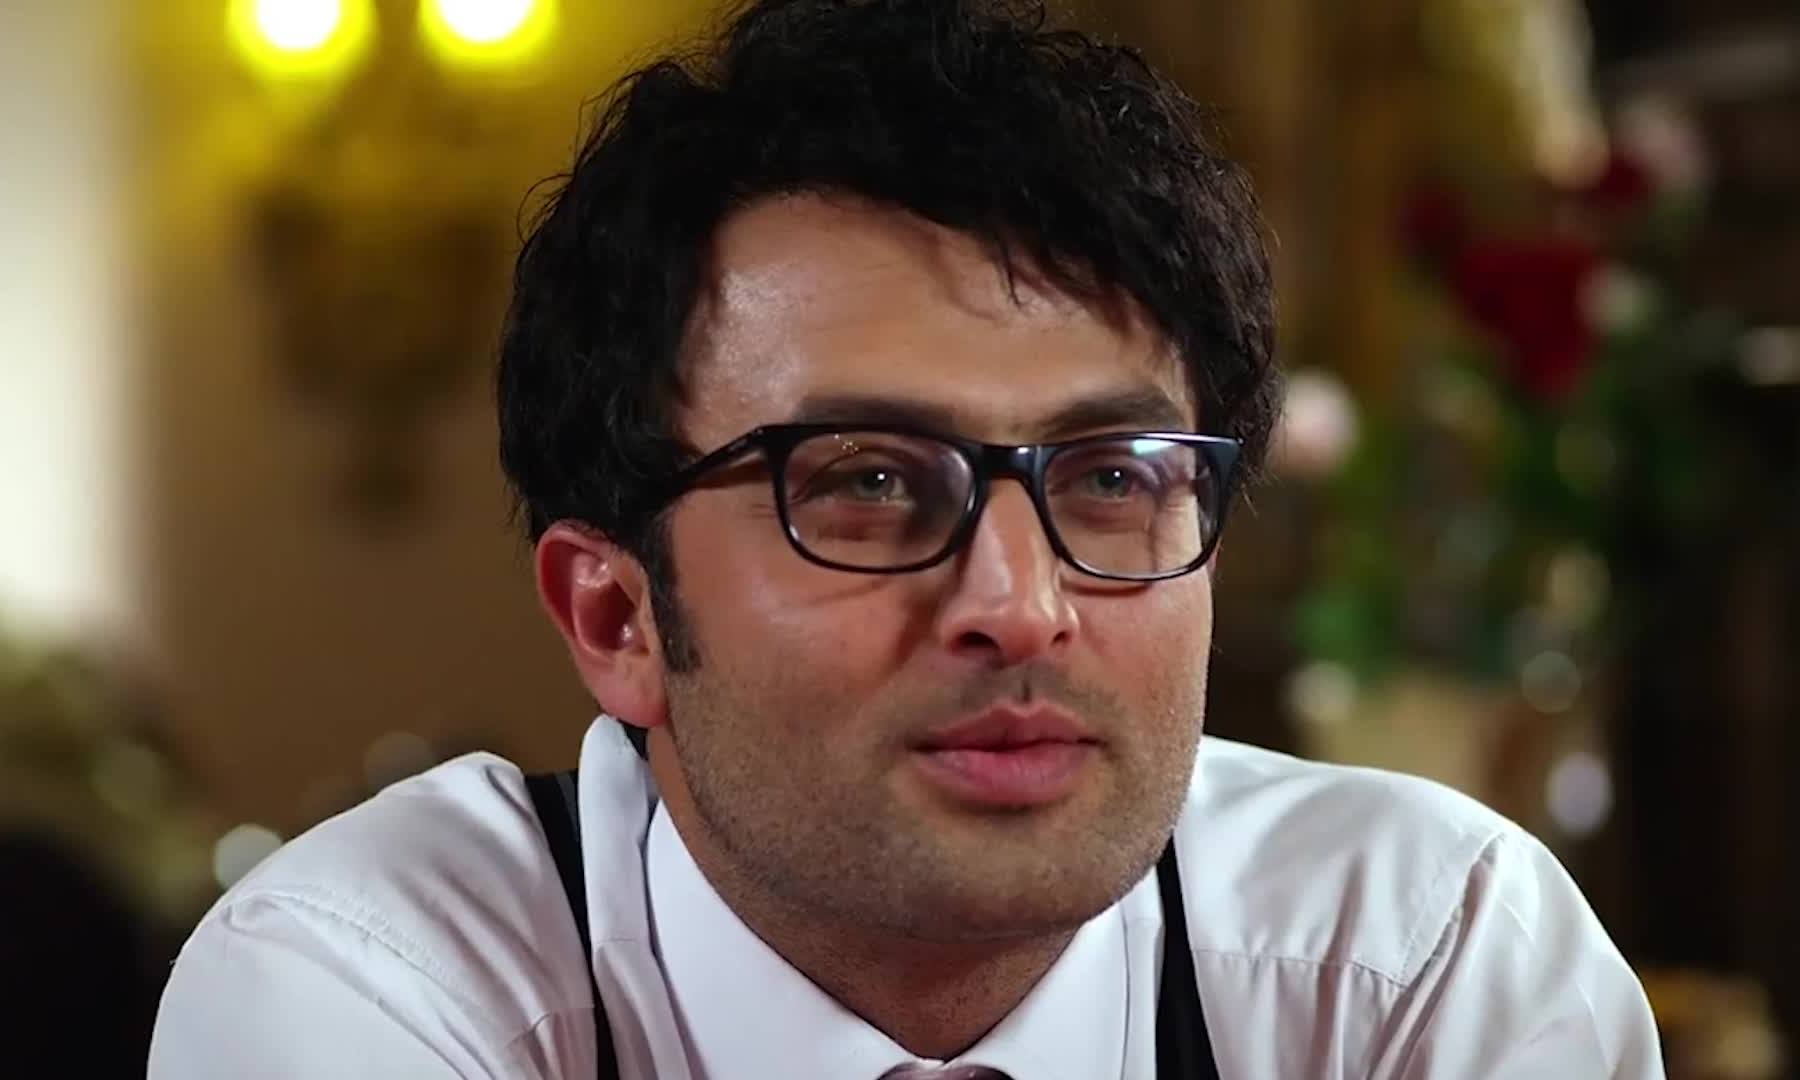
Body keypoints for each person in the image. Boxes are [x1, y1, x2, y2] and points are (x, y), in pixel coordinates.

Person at [148, 0, 1665, 1076]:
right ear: (616, 617)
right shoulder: (378, 991)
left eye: (1114, 475)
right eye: (871, 483)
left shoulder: (1416, 970)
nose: (1021, 604)